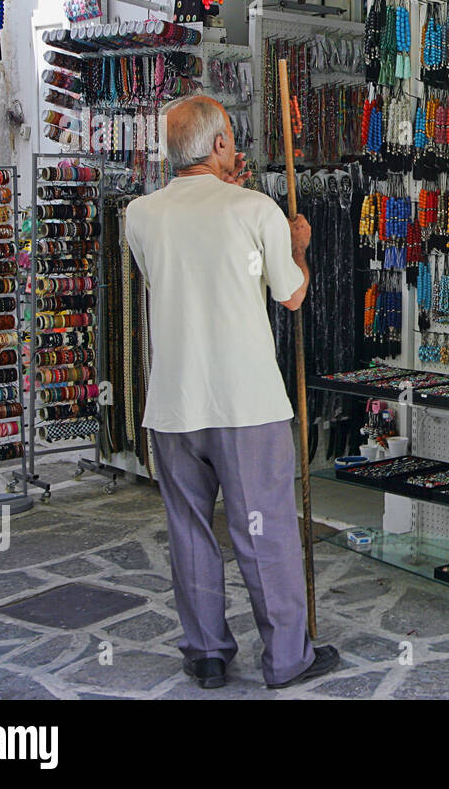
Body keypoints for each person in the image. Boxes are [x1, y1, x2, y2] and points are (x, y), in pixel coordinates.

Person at [124, 94, 340, 690]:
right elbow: (290, 294)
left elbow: (172, 271)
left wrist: (235, 196)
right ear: (222, 144)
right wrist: (297, 242)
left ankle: (207, 652)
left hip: (173, 405)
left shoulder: (140, 214)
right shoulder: (257, 209)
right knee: (263, 528)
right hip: (245, 404)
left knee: (189, 529)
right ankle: (286, 658)